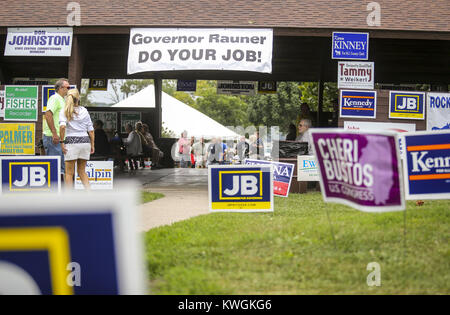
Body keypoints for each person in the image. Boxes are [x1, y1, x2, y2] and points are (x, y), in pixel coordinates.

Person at [59, 88, 94, 189]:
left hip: (71, 142)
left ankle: (69, 198)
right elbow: (91, 130)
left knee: (69, 173)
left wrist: (62, 142)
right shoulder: (84, 111)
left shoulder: (64, 110)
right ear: (78, 98)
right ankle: (89, 194)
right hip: (85, 141)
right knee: (82, 171)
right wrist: (92, 144)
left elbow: (62, 127)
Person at [43, 78, 70, 178]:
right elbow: (48, 114)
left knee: (61, 167)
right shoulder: (55, 98)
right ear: (60, 88)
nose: (68, 89)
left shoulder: (62, 100)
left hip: (60, 138)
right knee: (55, 167)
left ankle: (60, 191)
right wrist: (54, 133)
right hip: (53, 137)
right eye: (67, 87)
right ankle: (54, 191)